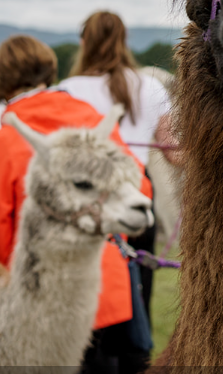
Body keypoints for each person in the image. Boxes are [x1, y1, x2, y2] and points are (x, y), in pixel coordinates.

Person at [0, 35, 154, 372]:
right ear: (49, 72)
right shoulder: (92, 122)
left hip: (38, 301)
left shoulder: (7, 136)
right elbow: (138, 186)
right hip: (103, 291)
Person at [58, 11, 176, 349]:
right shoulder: (149, 86)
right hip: (139, 198)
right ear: (123, 42)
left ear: (85, 42)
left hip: (88, 207)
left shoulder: (66, 91)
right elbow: (176, 153)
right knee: (140, 291)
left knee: (86, 301)